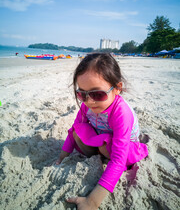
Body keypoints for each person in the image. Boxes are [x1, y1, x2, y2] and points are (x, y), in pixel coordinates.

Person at [56, 53, 148, 209]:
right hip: (102, 140)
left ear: (117, 88)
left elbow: (119, 158)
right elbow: (73, 131)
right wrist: (61, 158)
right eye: (81, 94)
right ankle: (100, 155)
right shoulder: (86, 106)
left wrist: (92, 201)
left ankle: (103, 156)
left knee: (106, 146)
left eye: (98, 94)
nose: (89, 101)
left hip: (124, 149)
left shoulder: (121, 113)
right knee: (77, 132)